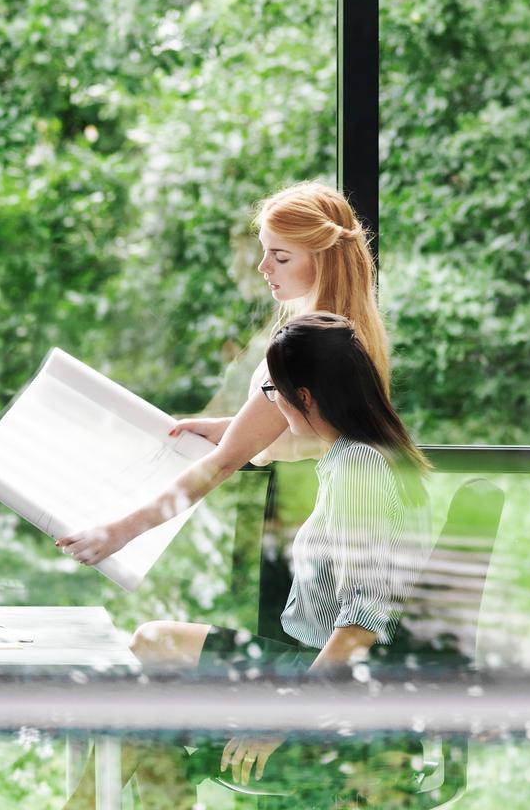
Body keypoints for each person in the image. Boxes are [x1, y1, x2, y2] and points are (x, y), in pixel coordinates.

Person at [64, 313, 432, 808]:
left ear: (304, 397)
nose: (270, 402)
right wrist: (222, 431)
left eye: (271, 391)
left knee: (155, 676)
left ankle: (82, 805)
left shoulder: (359, 469)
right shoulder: (362, 455)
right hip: (314, 668)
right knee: (155, 659)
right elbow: (265, 448)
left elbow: (361, 627)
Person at [56, 180, 391, 575]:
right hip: (323, 522)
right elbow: (316, 425)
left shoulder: (308, 347)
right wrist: (235, 426)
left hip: (307, 534)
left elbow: (222, 464)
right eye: (265, 252)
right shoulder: (350, 332)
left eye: (280, 257)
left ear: (324, 260)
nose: (264, 267)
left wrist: (119, 532)